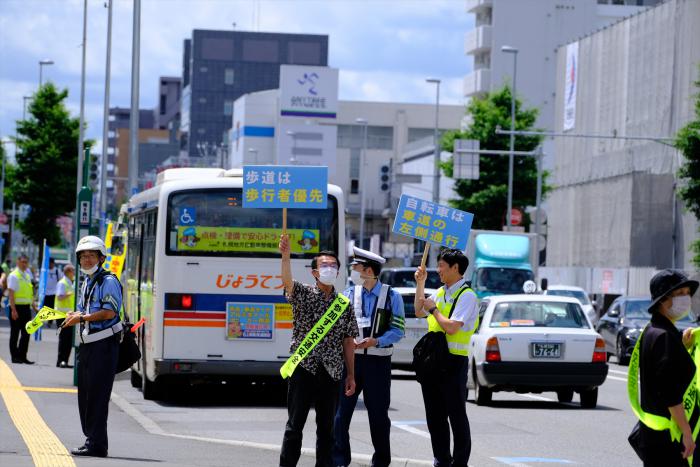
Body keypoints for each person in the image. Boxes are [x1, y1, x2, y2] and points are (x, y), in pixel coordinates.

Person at [278, 234, 358, 467]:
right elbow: (288, 282)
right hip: (304, 367)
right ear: (314, 272)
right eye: (325, 265)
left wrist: (351, 374)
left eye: (334, 266)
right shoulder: (302, 293)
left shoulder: (343, 304)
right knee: (295, 427)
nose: (330, 269)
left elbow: (348, 341)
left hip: (332, 371)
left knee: (327, 431)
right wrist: (285, 257)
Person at [333, 246, 405, 467]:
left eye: (357, 266)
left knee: (379, 417)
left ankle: (381, 462)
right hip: (351, 362)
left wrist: (376, 341)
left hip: (378, 363)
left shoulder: (392, 296)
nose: (353, 270)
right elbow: (335, 324)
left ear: (369, 270)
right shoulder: (347, 294)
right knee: (340, 416)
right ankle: (339, 460)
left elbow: (398, 330)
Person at [414, 249, 479, 467]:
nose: (438, 270)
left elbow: (451, 327)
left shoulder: (467, 295)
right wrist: (420, 284)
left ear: (455, 268)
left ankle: (459, 462)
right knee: (435, 416)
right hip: (434, 362)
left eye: (442, 265)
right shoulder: (441, 292)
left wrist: (434, 310)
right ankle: (441, 459)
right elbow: (418, 310)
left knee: (456, 415)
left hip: (454, 362)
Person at [61, 236, 123, 458]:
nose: (86, 259)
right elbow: (83, 311)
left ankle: (97, 444)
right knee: (86, 395)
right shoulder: (88, 281)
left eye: (91, 255)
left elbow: (109, 312)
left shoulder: (108, 281)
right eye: (83, 256)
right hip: (88, 345)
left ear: (101, 257)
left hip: (104, 345)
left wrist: (82, 318)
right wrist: (74, 315)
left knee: (97, 396)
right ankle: (92, 440)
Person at [629, 269, 699, 466]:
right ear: (663, 300)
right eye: (680, 294)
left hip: (654, 436)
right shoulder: (664, 337)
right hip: (668, 439)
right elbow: (670, 392)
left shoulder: (654, 331)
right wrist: (686, 432)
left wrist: (682, 347)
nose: (686, 299)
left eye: (687, 293)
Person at [8, 255, 36, 364]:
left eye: (26, 262)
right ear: (18, 262)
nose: (24, 264)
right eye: (22, 262)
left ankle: (22, 356)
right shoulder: (14, 275)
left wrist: (34, 306)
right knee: (15, 333)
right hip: (16, 307)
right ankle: (15, 357)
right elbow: (11, 294)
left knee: (26, 333)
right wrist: (13, 310)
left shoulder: (27, 275)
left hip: (26, 308)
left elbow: (30, 293)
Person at [55, 263, 76, 368]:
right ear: (68, 272)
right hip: (61, 315)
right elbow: (59, 297)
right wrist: (69, 294)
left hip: (68, 315)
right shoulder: (62, 283)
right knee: (63, 339)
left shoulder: (69, 283)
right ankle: (61, 360)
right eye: (73, 271)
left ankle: (65, 361)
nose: (74, 273)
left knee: (68, 339)